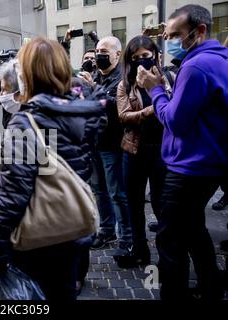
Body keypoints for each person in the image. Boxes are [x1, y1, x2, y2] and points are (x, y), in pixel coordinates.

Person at [0, 36, 107, 300]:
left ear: (27, 74)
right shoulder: (85, 112)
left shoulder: (26, 121)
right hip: (73, 230)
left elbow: (11, 197)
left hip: (38, 240)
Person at [137, 4, 228, 300]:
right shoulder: (218, 60)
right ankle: (211, 287)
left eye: (176, 34)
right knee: (194, 230)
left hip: (189, 167)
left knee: (171, 240)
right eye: (168, 34)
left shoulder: (195, 66)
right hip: (208, 163)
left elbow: (174, 121)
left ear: (199, 31)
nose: (170, 40)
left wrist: (155, 90)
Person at [117, 35, 173, 266]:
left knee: (162, 205)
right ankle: (139, 250)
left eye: (146, 56)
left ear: (155, 55)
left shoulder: (168, 77)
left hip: (162, 151)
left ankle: (166, 255)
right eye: (136, 57)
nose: (141, 61)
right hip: (134, 151)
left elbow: (175, 109)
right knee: (134, 204)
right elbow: (123, 115)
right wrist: (151, 109)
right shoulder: (126, 83)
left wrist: (160, 91)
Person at [81, 37, 133, 266]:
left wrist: (92, 88)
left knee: (117, 193)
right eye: (97, 50)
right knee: (99, 191)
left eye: (104, 51)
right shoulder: (96, 75)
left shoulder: (122, 78)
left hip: (113, 144)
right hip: (94, 142)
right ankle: (107, 229)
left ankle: (126, 238)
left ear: (118, 54)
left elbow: (115, 106)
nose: (99, 54)